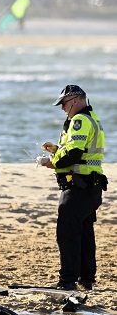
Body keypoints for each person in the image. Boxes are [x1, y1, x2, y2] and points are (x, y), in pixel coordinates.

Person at [40, 85, 107, 291]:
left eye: (64, 104)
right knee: (85, 232)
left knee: (67, 233)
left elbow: (74, 155)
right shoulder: (93, 118)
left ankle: (67, 280)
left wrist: (53, 162)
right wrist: (57, 150)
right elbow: (78, 151)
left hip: (78, 186)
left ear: (75, 100)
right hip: (91, 186)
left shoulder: (79, 121)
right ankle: (86, 279)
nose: (62, 109)